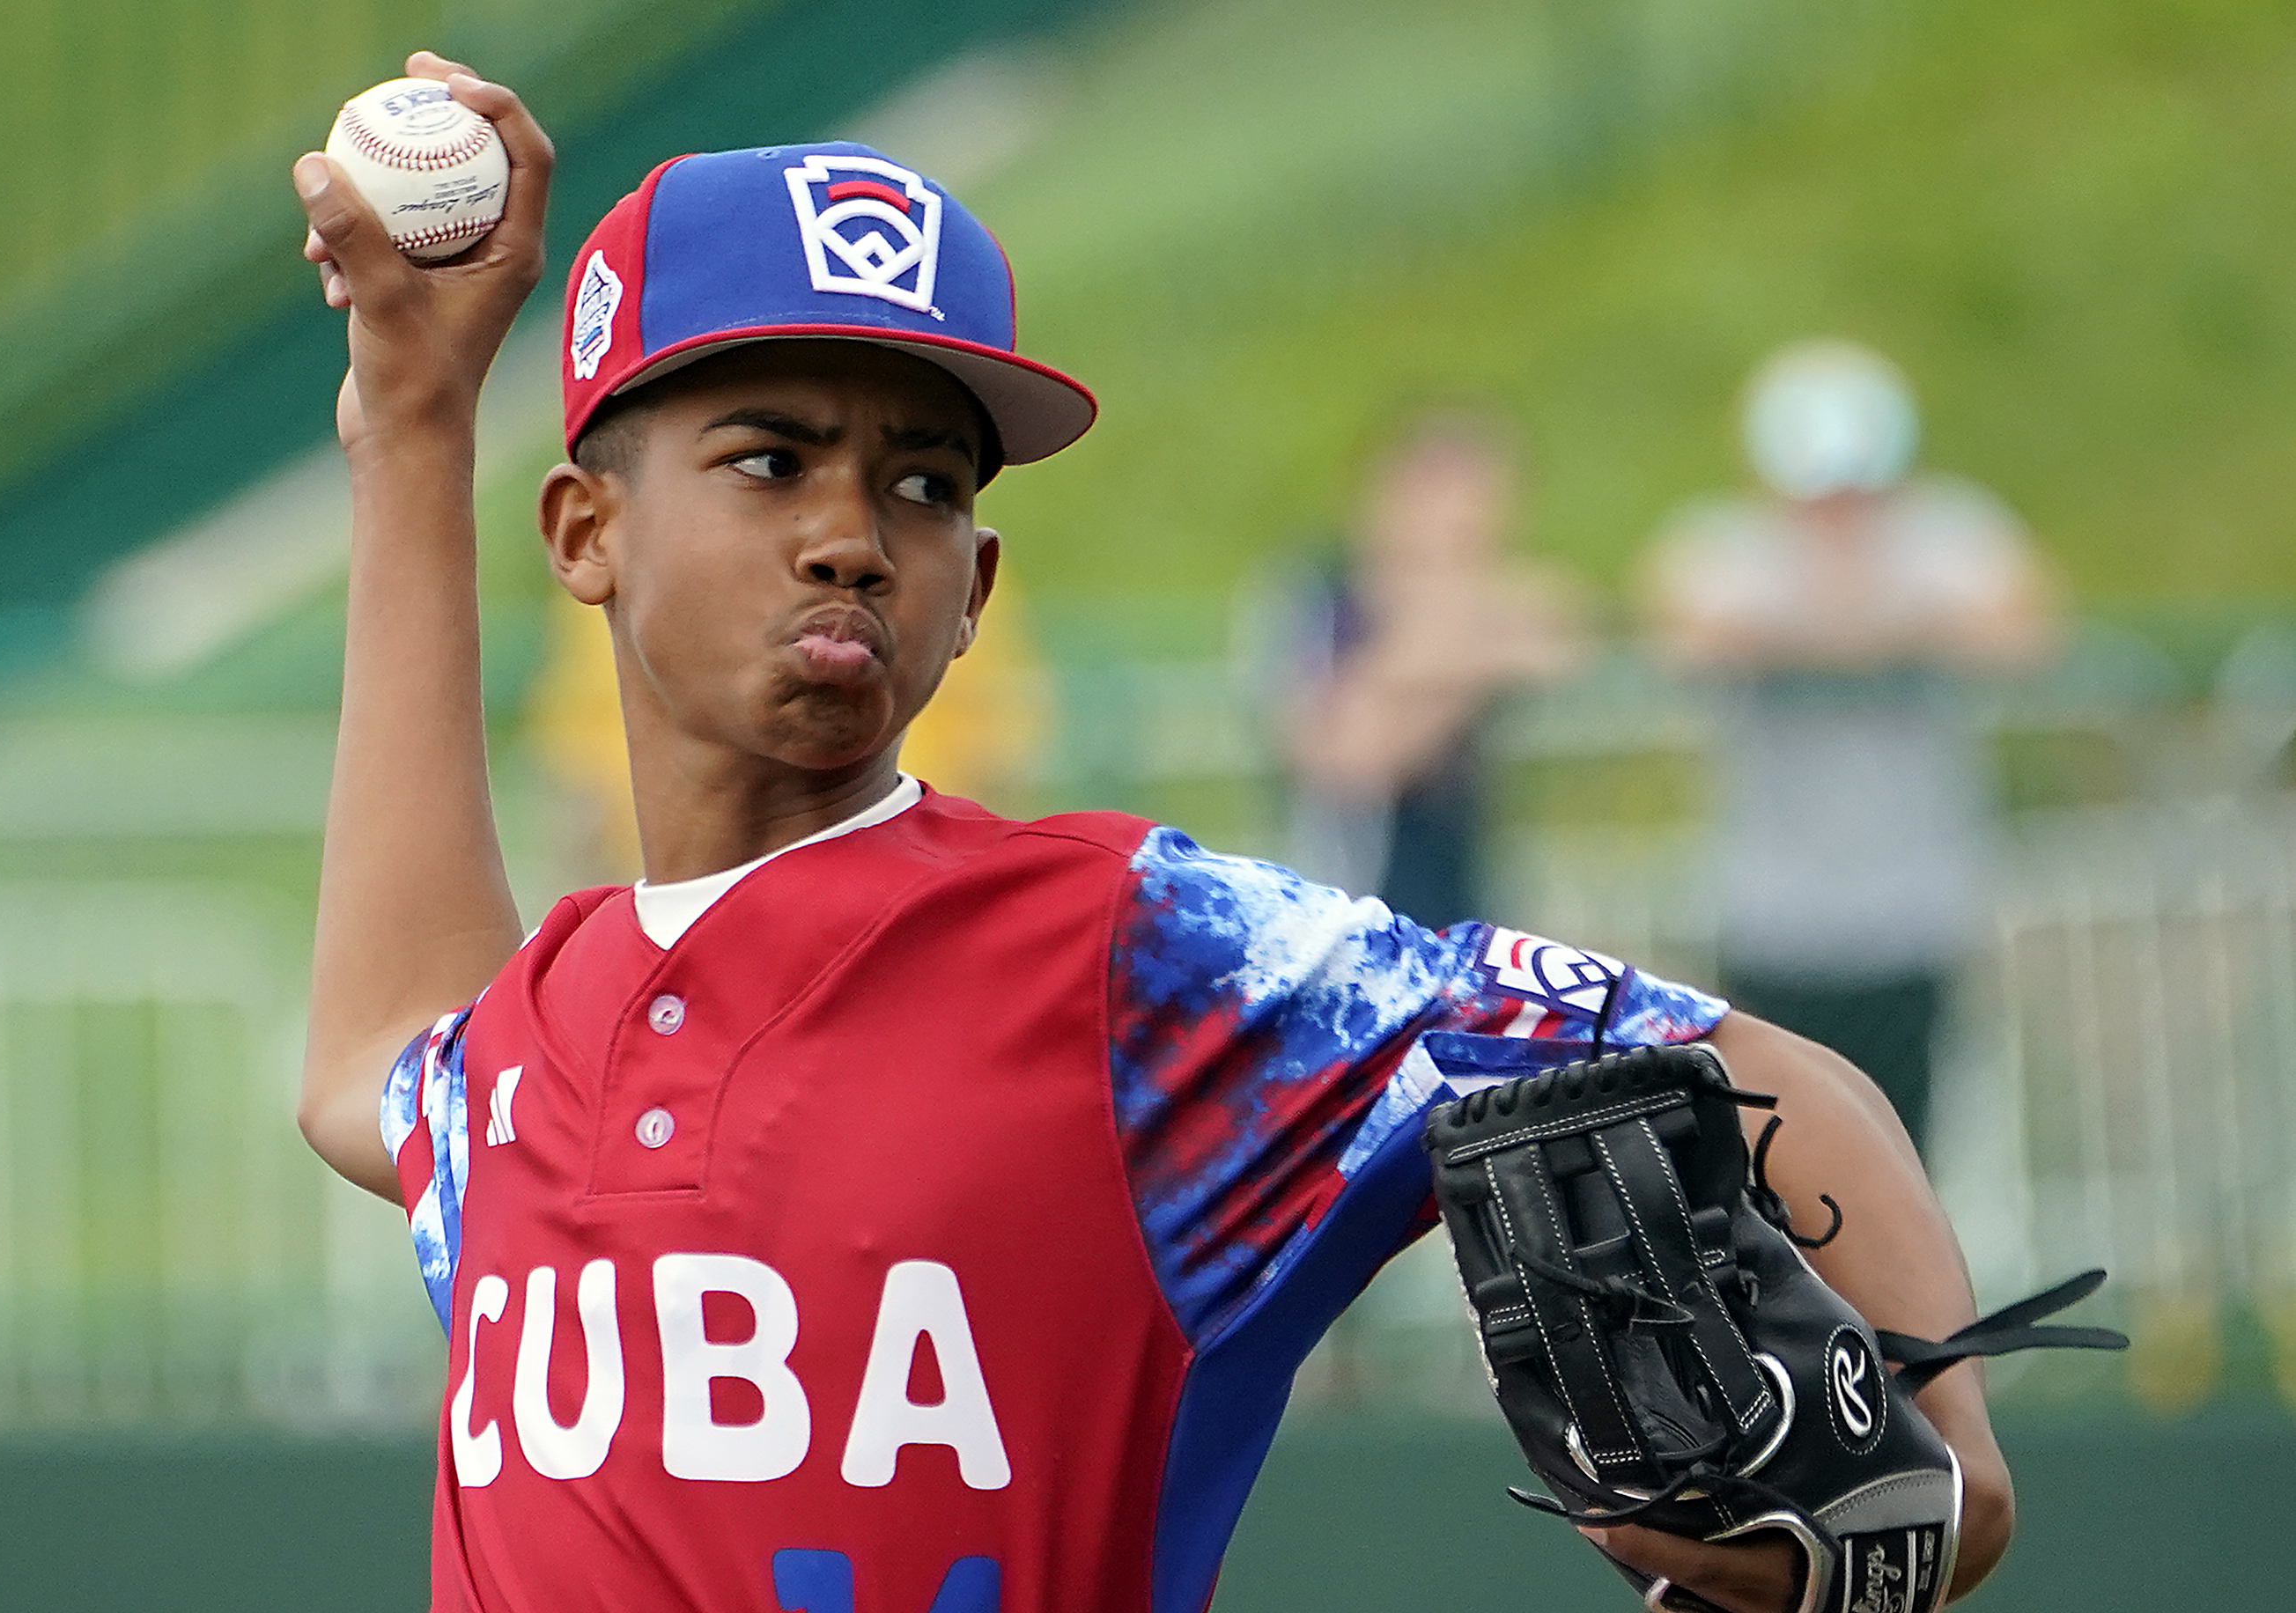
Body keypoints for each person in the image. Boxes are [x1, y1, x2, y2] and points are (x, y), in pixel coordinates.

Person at [292, 56, 2018, 1613]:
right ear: (585, 529)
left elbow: (1739, 1064)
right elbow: (374, 1053)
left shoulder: (1137, 958)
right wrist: (415, 417)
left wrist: (1945, 1477)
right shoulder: (524, 1040)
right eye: (768, 458)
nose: (847, 533)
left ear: (972, 590)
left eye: (919, 482)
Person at [1640, 341, 2057, 1149]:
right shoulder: (1726, 546)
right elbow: (1688, 633)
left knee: (1908, 1152)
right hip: (1775, 919)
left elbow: (2021, 628)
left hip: (1911, 915)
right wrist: (1877, 627)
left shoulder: (1946, 533)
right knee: (1775, 1162)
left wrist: (1830, 627)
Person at [1274, 411, 1582, 932]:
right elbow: (1353, 760)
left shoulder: (1485, 605)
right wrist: (1457, 659)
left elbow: (1558, 629)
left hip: (1467, 899)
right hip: (1350, 908)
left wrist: (1412, 673)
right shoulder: (1324, 599)